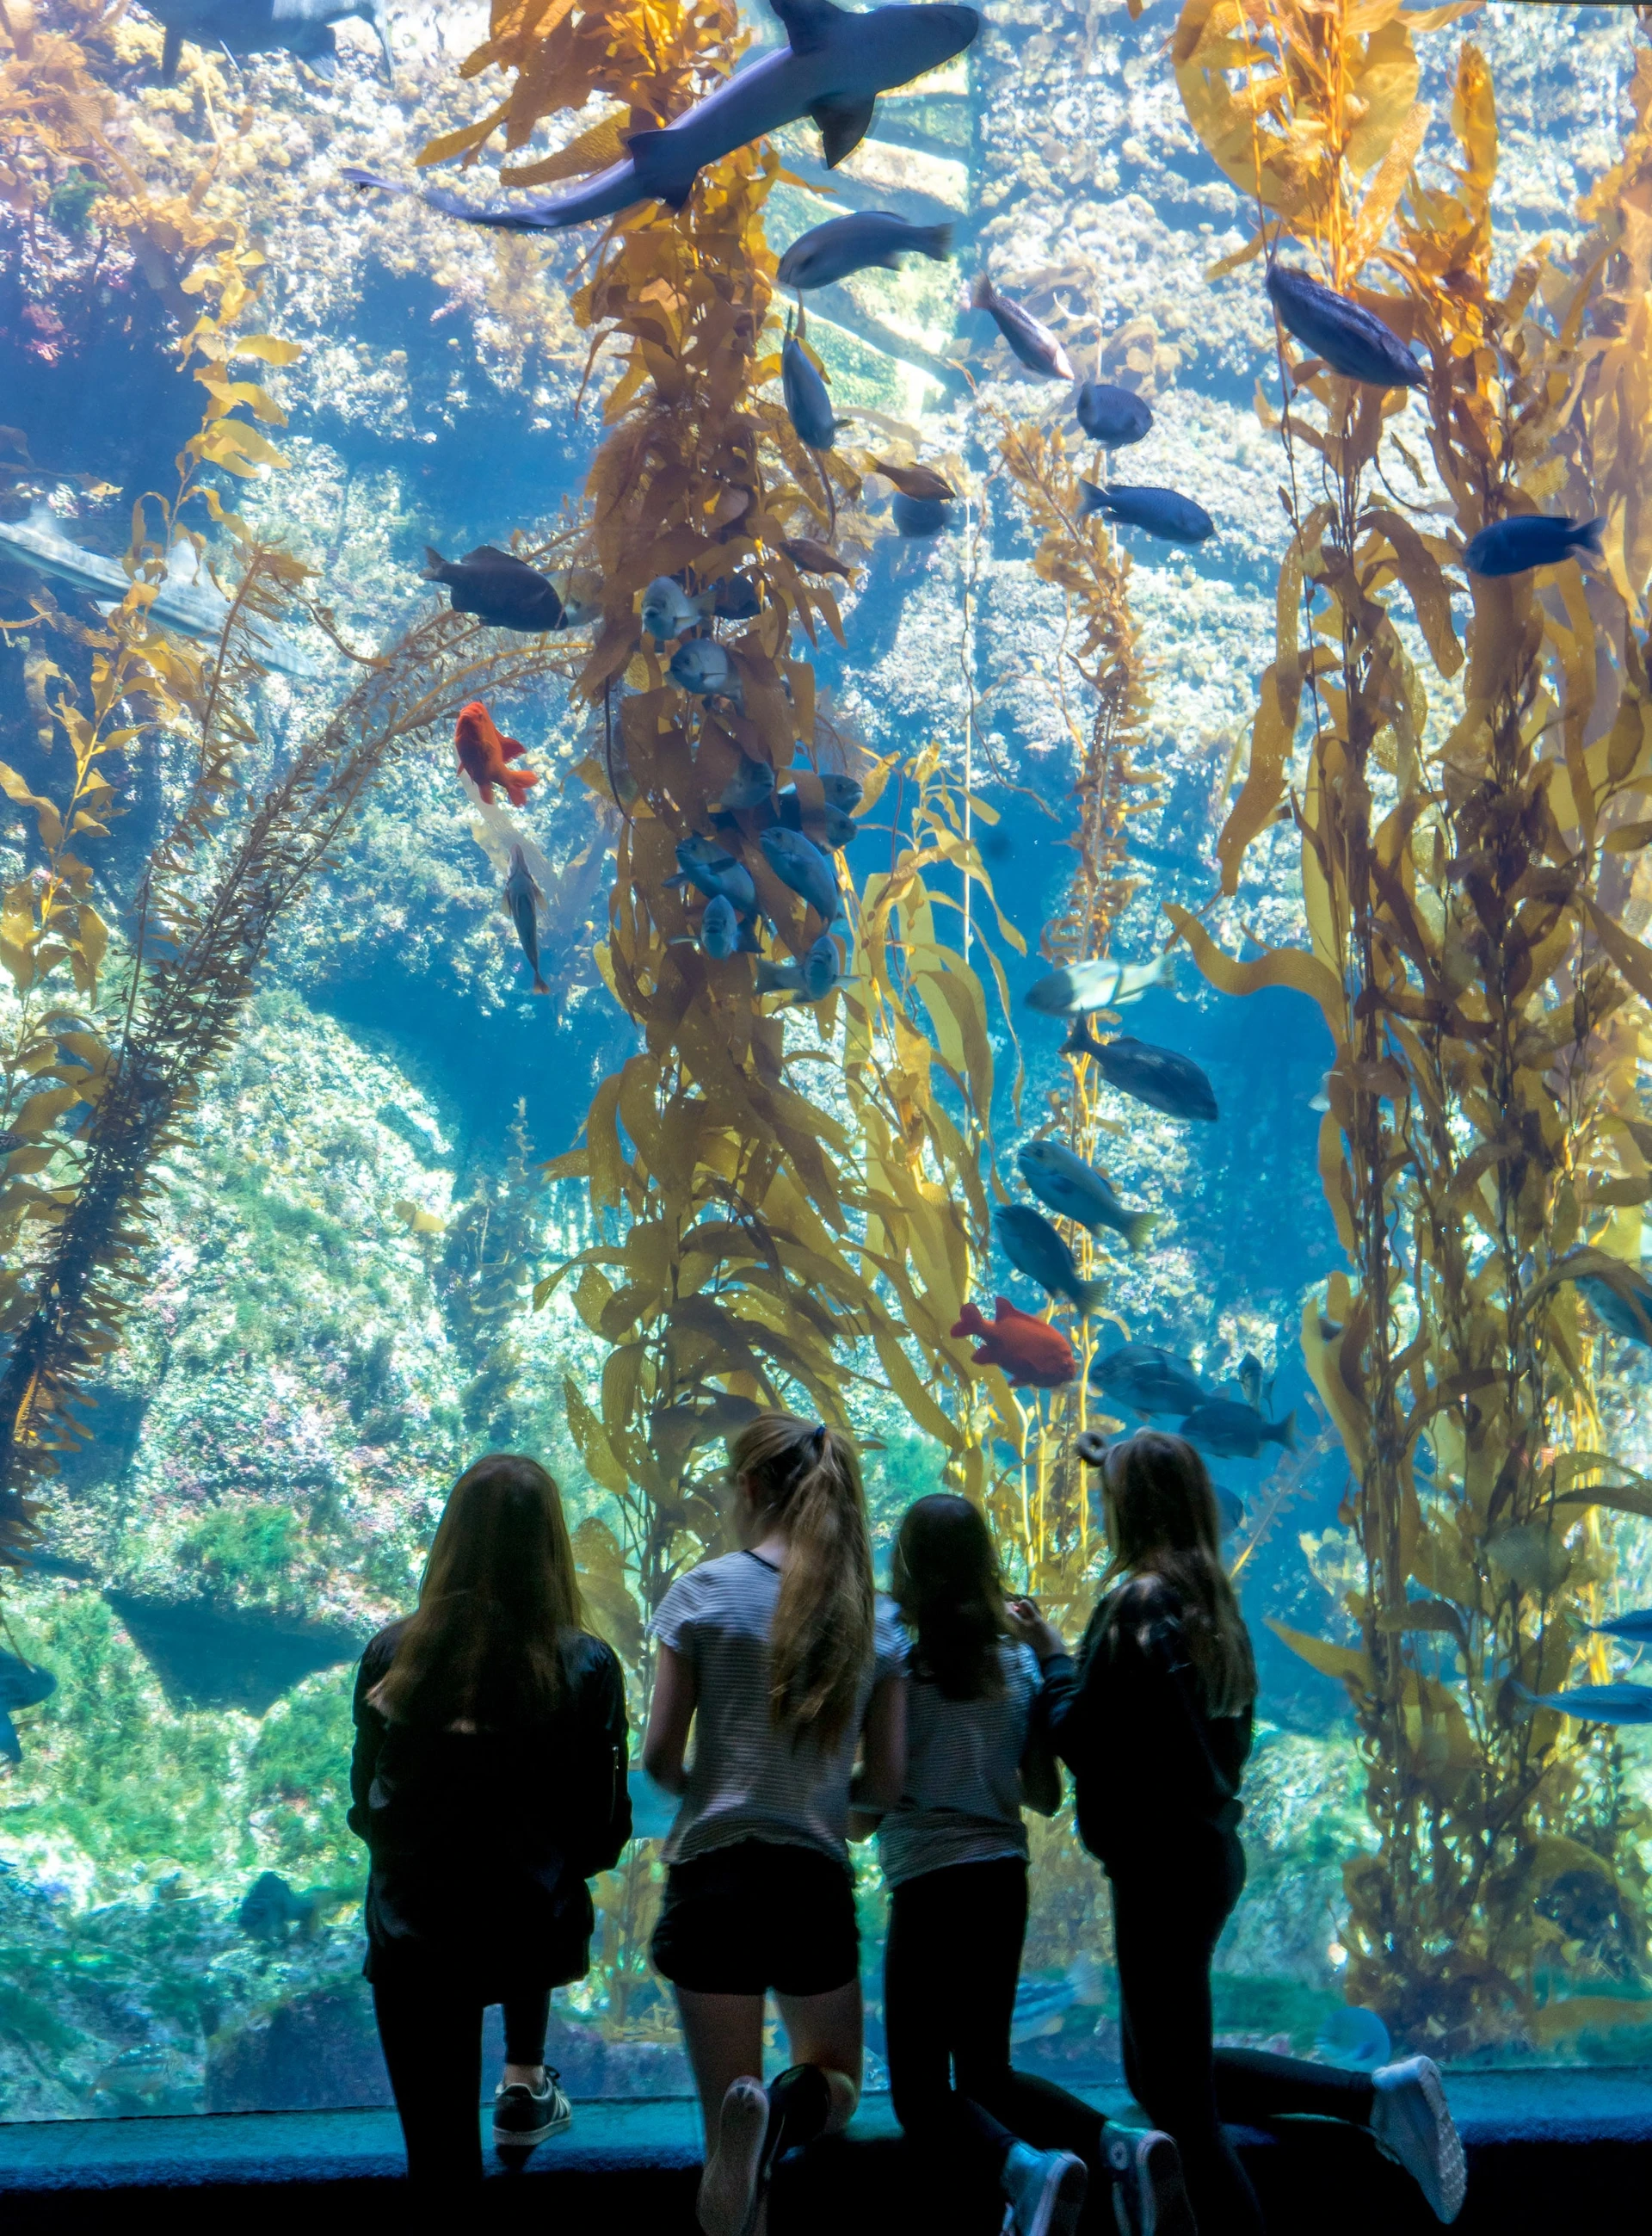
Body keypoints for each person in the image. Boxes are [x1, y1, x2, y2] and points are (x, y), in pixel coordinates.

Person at [1011, 1430, 1466, 2235]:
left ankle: (1375, 2100)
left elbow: (1086, 1735)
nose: (1104, 1510)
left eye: (1110, 1497)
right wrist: (1112, 1454)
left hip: (1160, 1864)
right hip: (1201, 1853)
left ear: (1133, 1509)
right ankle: (1371, 2098)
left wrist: (1051, 1656)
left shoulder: (1138, 1603)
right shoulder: (1207, 1599)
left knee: (1185, 2116)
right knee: (1157, 2077)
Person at [866, 1492, 1196, 2236]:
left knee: (920, 2093)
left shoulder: (898, 1664)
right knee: (989, 2072)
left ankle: (1028, 2170)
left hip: (927, 1881)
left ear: (907, 1566)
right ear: (983, 1561)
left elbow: (880, 1789)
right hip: (999, 1879)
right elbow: (1045, 1795)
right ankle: (1120, 2145)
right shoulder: (1016, 1662)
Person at [642, 1411, 907, 2236]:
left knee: (729, 2117)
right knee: (837, 2081)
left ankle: (751, 2136)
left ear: (752, 1486)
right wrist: (828, 1801)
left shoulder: (702, 1594)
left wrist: (716, 1788)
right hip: (809, 1878)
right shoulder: (877, 1619)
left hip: (712, 1875)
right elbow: (886, 1783)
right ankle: (783, 2117)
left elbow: (658, 1759)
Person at [348, 1451, 632, 2190]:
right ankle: (525, 2080)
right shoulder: (587, 1665)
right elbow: (600, 1832)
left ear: (451, 1539)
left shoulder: (390, 1655)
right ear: (551, 1547)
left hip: (413, 1938)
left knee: (438, 2164)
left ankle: (523, 2084)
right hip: (530, 1930)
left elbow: (366, 1809)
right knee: (523, 1890)